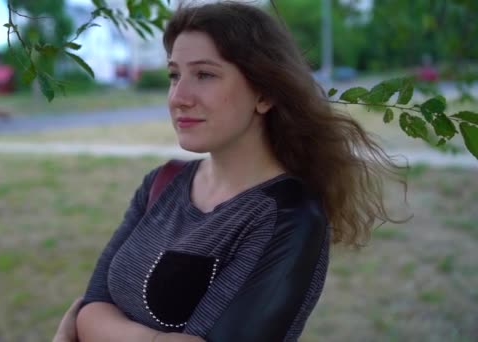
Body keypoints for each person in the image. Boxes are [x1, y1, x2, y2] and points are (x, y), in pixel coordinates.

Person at [53, 2, 406, 341]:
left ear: (264, 94)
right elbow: (90, 308)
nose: (179, 96)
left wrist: (103, 331)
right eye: (175, 75)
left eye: (204, 75)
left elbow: (89, 324)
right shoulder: (163, 182)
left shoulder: (288, 217)